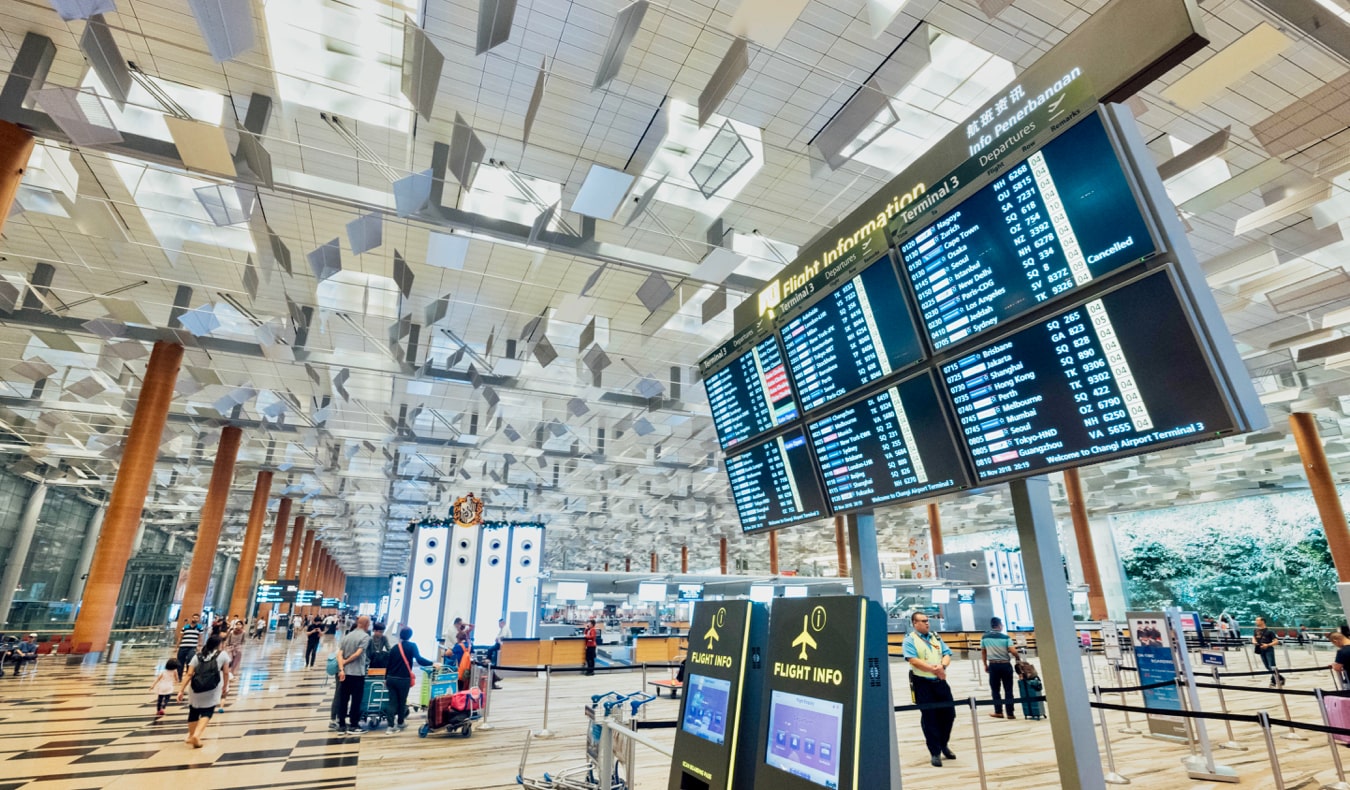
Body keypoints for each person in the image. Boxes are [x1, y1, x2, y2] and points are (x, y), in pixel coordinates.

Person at [903, 611, 956, 767]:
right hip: (922, 683)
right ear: (915, 623)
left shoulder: (935, 637)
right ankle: (935, 752)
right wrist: (934, 670)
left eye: (927, 620)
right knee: (930, 717)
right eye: (923, 621)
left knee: (949, 714)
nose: (927, 623)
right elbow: (913, 660)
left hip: (940, 681)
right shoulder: (910, 639)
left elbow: (947, 654)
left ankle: (943, 743)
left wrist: (942, 666)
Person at [177, 634, 232, 748]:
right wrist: (225, 686)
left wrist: (181, 690)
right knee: (207, 712)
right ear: (219, 645)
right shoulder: (222, 655)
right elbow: (226, 672)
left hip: (195, 688)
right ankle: (196, 735)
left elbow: (189, 674)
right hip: (212, 688)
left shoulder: (197, 656)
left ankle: (191, 735)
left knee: (193, 711)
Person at [384, 626, 434, 733]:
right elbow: (419, 660)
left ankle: (390, 726)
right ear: (410, 636)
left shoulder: (394, 647)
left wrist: (385, 678)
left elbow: (388, 664)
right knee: (402, 701)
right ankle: (400, 722)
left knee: (392, 702)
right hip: (403, 679)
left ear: (400, 635)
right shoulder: (412, 646)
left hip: (391, 678)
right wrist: (432, 663)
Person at [335, 615, 372, 736]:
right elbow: (357, 654)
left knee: (343, 699)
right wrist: (346, 662)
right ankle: (353, 725)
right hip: (357, 674)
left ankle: (341, 725)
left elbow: (339, 654)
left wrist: (341, 668)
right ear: (366, 624)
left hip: (345, 673)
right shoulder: (365, 637)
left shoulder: (347, 636)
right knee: (356, 701)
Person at [981, 617, 1018, 720]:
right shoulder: (1006, 637)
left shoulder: (985, 637)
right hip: (1005, 665)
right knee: (1008, 689)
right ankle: (1010, 713)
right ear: (999, 625)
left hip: (993, 665)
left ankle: (998, 712)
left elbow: (983, 652)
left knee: (995, 690)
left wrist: (985, 664)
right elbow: (1013, 651)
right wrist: (1017, 657)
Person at [1253, 616, 1282, 687]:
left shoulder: (1269, 631)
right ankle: (1280, 678)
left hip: (1268, 650)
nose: (1256, 622)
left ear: (1262, 621)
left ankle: (1273, 682)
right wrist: (1254, 642)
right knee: (1267, 667)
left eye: (1257, 620)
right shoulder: (1256, 630)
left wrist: (1268, 645)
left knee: (1271, 666)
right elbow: (1254, 637)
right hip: (1261, 650)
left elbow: (1276, 641)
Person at [175, 613, 203, 681]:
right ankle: (179, 677)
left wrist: (199, 646)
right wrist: (176, 647)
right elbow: (180, 637)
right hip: (183, 646)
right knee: (180, 662)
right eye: (194, 618)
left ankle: (188, 676)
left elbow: (200, 638)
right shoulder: (185, 627)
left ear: (198, 619)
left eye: (197, 618)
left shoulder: (200, 628)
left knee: (190, 660)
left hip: (192, 647)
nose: (195, 619)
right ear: (192, 618)